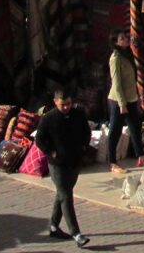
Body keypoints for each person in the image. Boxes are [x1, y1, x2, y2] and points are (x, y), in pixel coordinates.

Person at [35, 90, 90, 248]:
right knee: (66, 196)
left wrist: (83, 147)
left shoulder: (78, 114)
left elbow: (86, 132)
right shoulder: (48, 118)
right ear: (55, 102)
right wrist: (50, 152)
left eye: (68, 104)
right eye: (62, 105)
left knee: (62, 193)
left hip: (74, 162)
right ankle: (76, 233)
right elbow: (39, 139)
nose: (66, 107)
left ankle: (53, 227)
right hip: (57, 164)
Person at [106, 30, 144, 174]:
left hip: (131, 98)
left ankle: (141, 155)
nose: (126, 40)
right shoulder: (115, 58)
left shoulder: (127, 55)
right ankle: (112, 162)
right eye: (122, 38)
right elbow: (116, 83)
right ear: (116, 42)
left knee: (135, 127)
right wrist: (122, 104)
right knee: (115, 130)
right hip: (118, 100)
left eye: (125, 37)